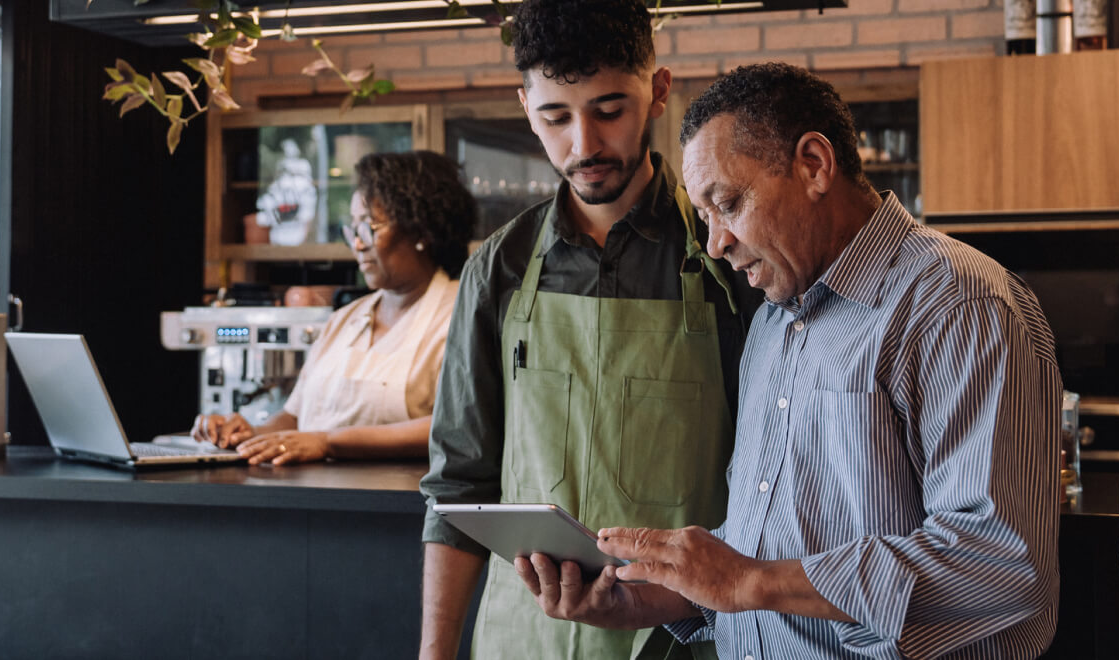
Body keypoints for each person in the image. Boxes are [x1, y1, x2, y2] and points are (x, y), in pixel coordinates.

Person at [515, 63, 1062, 659]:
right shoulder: (774, 319)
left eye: (728, 203)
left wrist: (749, 580)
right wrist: (652, 598)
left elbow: (1001, 561)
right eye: (705, 217)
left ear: (813, 165)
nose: (718, 243)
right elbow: (768, 552)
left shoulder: (957, 303)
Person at [417, 1, 760, 658]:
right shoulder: (499, 267)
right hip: (526, 638)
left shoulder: (725, 256)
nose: (584, 145)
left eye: (609, 110)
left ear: (657, 92)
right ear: (525, 107)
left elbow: (777, 481)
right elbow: (459, 484)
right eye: (555, 117)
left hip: (686, 639)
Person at [192, 151, 476, 465]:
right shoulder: (344, 319)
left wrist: (329, 442)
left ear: (422, 229)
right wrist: (249, 435)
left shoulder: (462, 315)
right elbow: (293, 417)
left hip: (399, 504)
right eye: (352, 229)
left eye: (370, 227)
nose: (357, 243)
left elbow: (457, 428)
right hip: (315, 502)